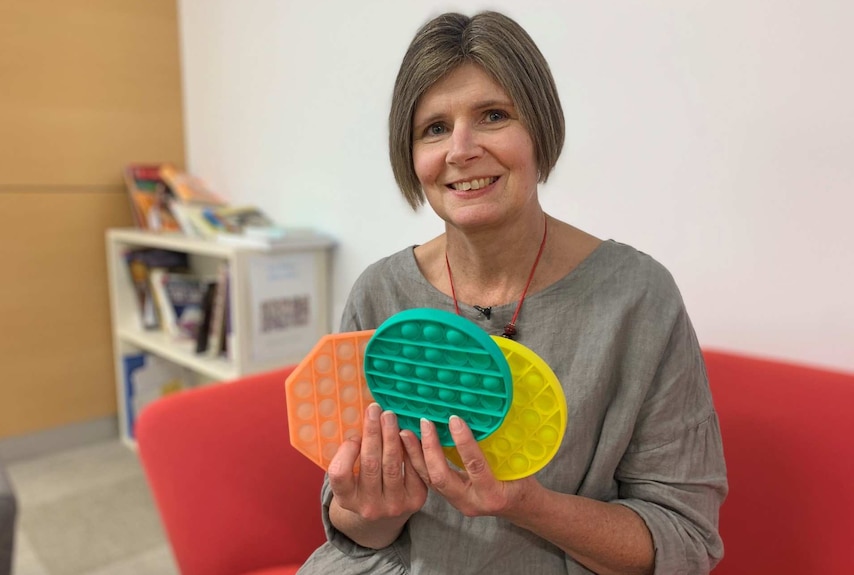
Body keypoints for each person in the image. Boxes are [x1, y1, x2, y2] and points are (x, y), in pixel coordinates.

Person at [298, 10, 726, 575]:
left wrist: (528, 506)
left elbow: (684, 540)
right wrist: (376, 509)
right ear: (412, 155)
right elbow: (355, 527)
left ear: (539, 128)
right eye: (434, 128)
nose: (461, 149)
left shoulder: (639, 298)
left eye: (493, 115)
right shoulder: (379, 291)